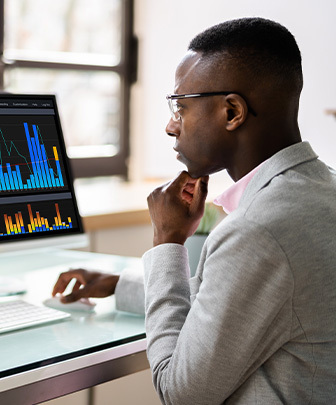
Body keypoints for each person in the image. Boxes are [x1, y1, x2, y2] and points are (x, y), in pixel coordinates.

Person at [52, 17, 336, 404]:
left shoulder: (259, 230)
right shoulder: (321, 191)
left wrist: (167, 241)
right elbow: (225, 302)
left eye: (181, 108)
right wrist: (121, 285)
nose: (171, 126)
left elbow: (179, 393)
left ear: (232, 112)